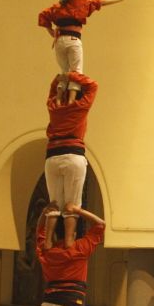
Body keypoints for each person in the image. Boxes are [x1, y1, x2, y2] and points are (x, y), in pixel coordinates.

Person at [36, 0, 126, 99]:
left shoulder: (58, 6)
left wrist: (51, 31)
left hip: (59, 42)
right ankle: (72, 102)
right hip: (73, 40)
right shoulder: (81, 2)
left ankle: (59, 101)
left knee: (64, 72)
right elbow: (101, 2)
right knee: (76, 72)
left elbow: (43, 15)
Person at [35, 202, 106, 306]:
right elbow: (100, 225)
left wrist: (45, 214)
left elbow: (40, 232)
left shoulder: (46, 252)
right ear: (74, 234)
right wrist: (76, 210)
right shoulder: (79, 248)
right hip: (72, 304)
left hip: (49, 305)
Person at [44, 70, 98, 238]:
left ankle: (48, 242)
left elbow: (53, 90)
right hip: (73, 155)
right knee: (71, 206)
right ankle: (69, 241)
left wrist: (59, 79)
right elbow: (93, 86)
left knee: (54, 205)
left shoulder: (53, 106)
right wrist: (74, 75)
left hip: (52, 156)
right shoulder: (80, 107)